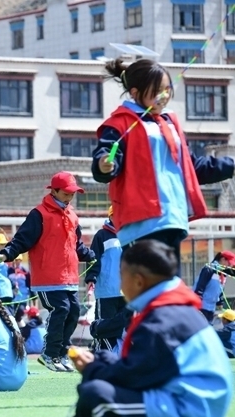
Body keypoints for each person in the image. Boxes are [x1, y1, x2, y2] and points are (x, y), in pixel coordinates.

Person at [71, 240, 233, 417]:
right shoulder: (175, 308)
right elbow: (144, 365)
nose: (120, 285)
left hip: (190, 413)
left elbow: (135, 377)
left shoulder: (161, 320)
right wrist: (101, 360)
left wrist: (92, 369)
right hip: (198, 407)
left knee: (94, 394)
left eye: (122, 276)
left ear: (139, 281)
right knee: (103, 370)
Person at [92, 58, 234, 264]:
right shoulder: (119, 123)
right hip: (142, 222)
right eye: (157, 91)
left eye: (167, 89)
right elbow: (105, 158)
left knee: (169, 283)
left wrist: (230, 165)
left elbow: (191, 167)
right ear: (135, 92)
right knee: (153, 282)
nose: (165, 96)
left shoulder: (169, 123)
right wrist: (104, 164)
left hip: (173, 218)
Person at [0, 172, 95, 372]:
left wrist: (92, 255)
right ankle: (49, 354)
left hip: (69, 277)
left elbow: (77, 246)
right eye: (66, 193)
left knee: (73, 312)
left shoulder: (72, 216)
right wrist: (6, 253)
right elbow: (22, 239)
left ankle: (62, 354)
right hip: (48, 277)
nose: (69, 197)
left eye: (72, 194)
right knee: (61, 310)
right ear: (54, 191)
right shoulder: (39, 214)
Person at [84, 206, 125, 337]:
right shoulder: (101, 236)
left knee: (124, 327)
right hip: (107, 292)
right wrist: (91, 278)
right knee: (105, 326)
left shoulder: (129, 235)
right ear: (111, 216)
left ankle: (119, 350)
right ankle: (102, 348)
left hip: (126, 292)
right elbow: (93, 259)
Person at [192, 251, 235, 324]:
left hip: (211, 308)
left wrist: (220, 303)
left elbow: (220, 289)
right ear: (223, 259)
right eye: (229, 263)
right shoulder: (209, 269)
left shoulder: (223, 273)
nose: (230, 266)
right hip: (202, 307)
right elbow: (200, 288)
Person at [8, 255, 31, 323]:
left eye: (18, 260)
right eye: (14, 260)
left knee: (21, 311)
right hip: (12, 297)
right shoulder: (8, 270)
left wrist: (32, 294)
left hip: (22, 297)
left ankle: (19, 322)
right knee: (11, 313)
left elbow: (29, 284)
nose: (16, 262)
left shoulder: (24, 271)